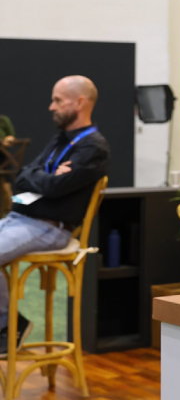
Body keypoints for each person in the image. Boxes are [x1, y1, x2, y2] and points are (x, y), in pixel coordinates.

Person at [4, 76, 108, 350]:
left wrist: (44, 178)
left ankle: (7, 325)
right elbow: (22, 176)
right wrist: (47, 176)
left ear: (80, 103)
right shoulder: (60, 139)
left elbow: (54, 188)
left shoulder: (93, 148)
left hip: (50, 228)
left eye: (58, 101)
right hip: (20, 219)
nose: (51, 107)